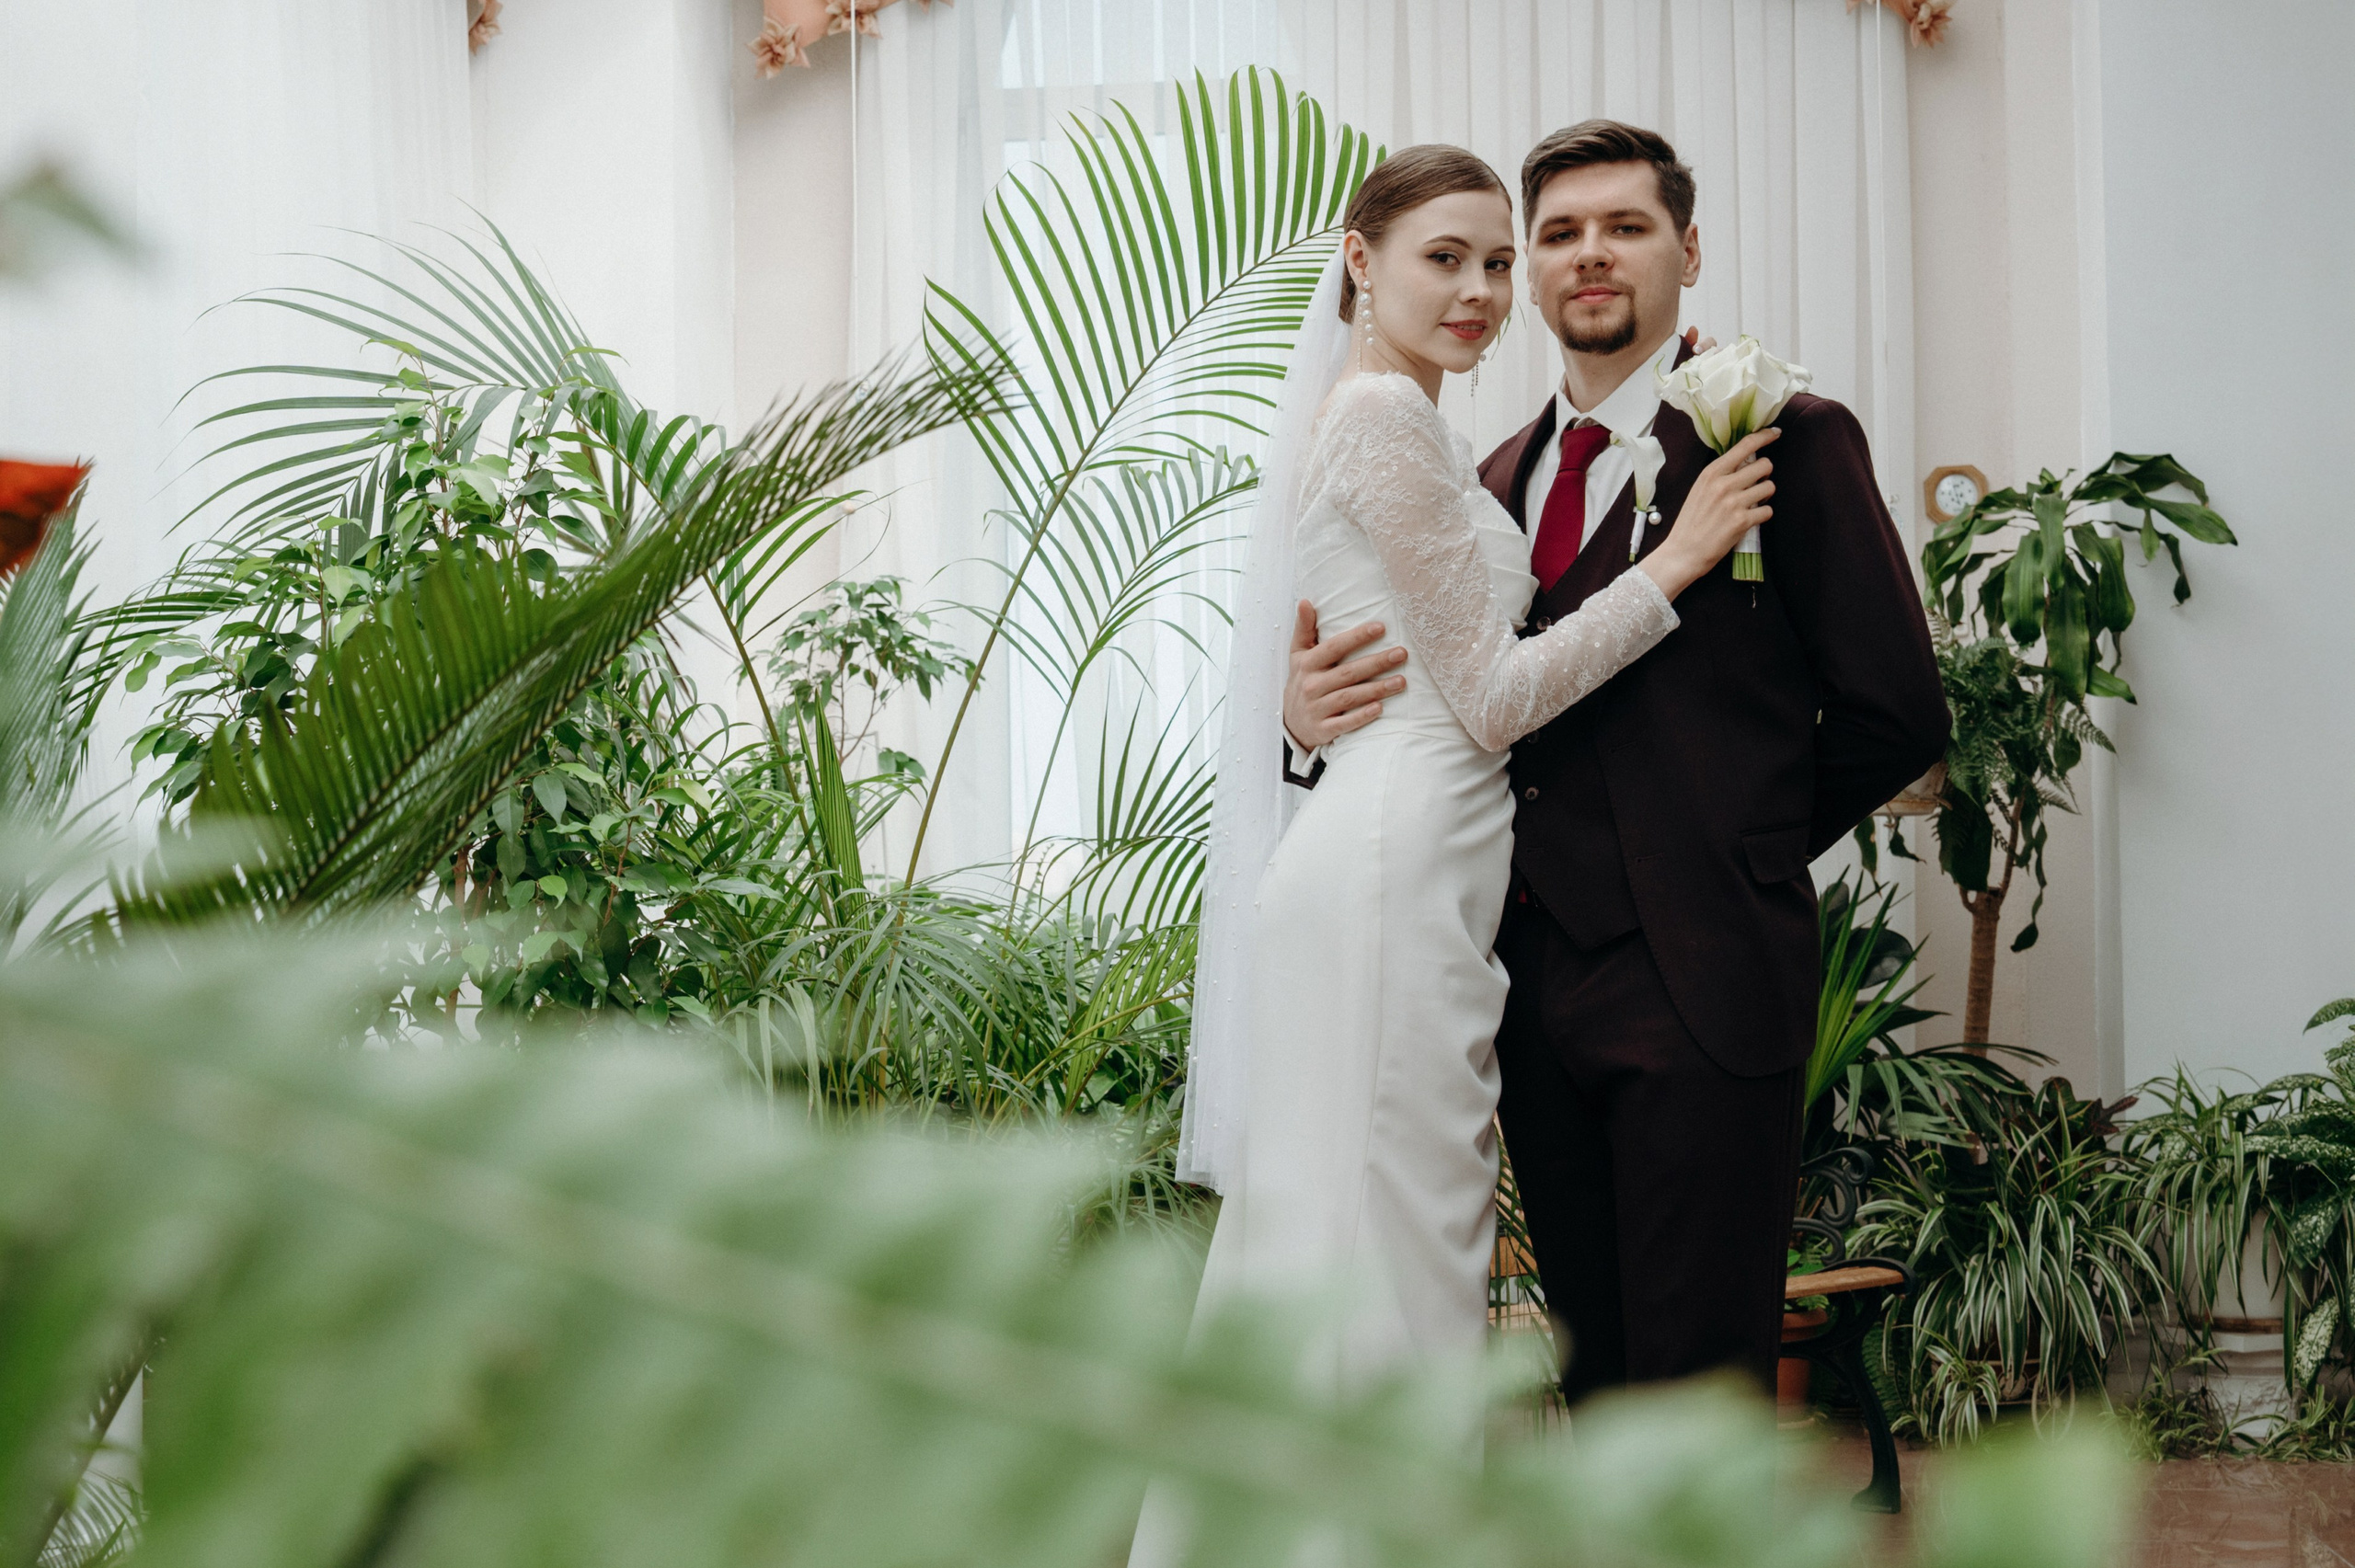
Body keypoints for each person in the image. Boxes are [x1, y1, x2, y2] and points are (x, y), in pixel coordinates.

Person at [1132, 142, 1775, 1564]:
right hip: (1390, 869)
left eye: (1497, 261)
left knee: (1374, 1233)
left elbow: (1395, 659)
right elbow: (1488, 696)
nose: (1484, 288)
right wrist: (1675, 562)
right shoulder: (1383, 421)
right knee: (1395, 1236)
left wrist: (1309, 714)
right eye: (1449, 257)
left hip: (1418, 861)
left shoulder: (1426, 434)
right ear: (1359, 259)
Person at [1280, 121, 1949, 1407]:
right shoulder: (1485, 475)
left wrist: (1738, 848)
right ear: (1530, 274)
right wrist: (1307, 720)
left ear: (1686, 251)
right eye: (1561, 235)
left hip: (1704, 976)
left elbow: (1899, 711)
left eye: (1627, 227)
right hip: (1516, 982)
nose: (1592, 256)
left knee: (1697, 1397)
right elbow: (1431, 684)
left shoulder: (1787, 441)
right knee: (1594, 1381)